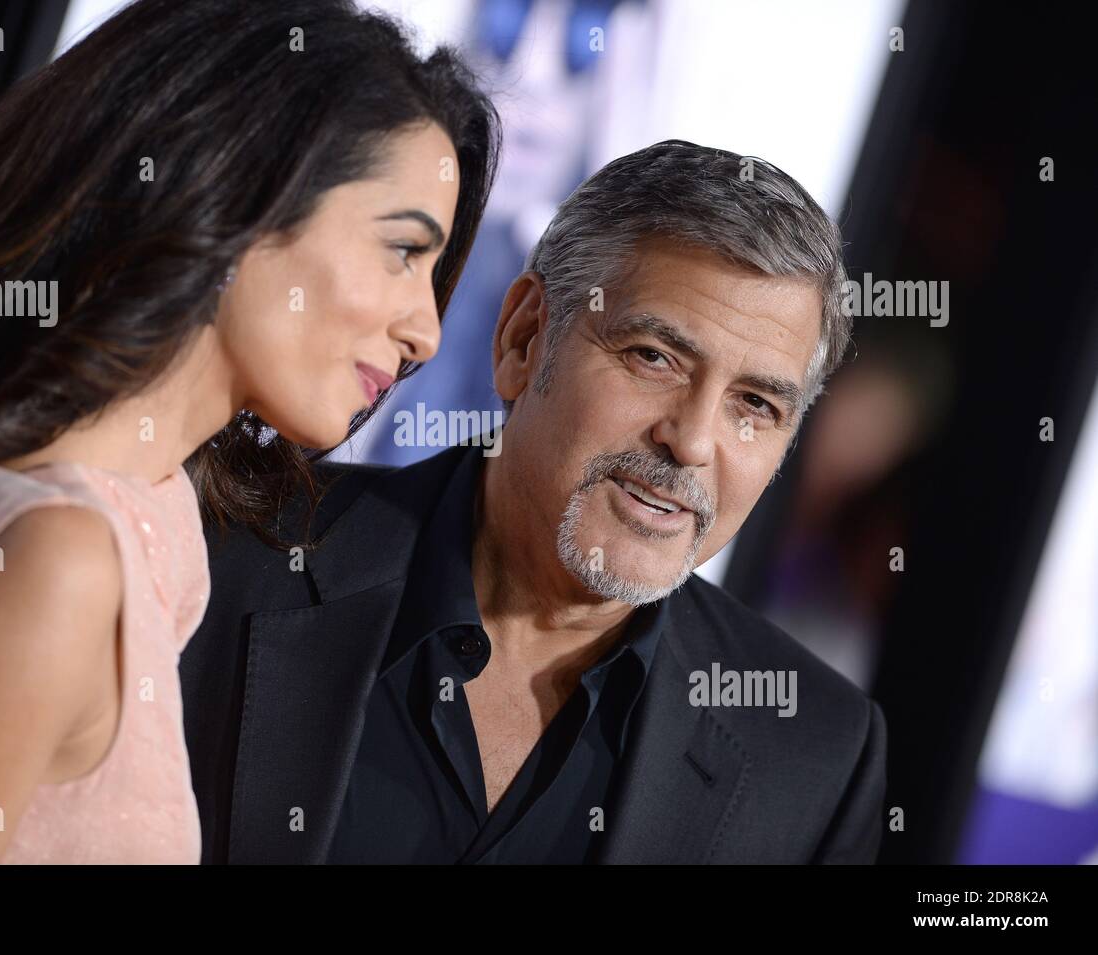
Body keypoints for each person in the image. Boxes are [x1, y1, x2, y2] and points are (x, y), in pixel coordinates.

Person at [0, 0, 501, 863]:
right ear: (238, 193)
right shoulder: (55, 556)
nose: (425, 330)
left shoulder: (154, 517)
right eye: (402, 250)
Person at [180, 139, 887, 864]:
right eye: (654, 357)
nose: (693, 441)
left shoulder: (816, 757)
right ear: (524, 337)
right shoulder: (219, 558)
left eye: (756, 404)